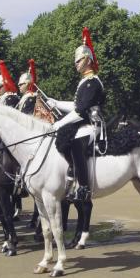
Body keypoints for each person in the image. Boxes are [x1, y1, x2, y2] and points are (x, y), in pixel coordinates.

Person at [48, 27, 105, 202]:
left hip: (92, 125)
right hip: (82, 122)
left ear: (87, 59)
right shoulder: (83, 82)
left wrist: (59, 123)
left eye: (78, 60)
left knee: (75, 144)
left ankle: (84, 188)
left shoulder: (92, 82)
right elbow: (75, 105)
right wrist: (56, 103)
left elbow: (81, 111)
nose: (76, 64)